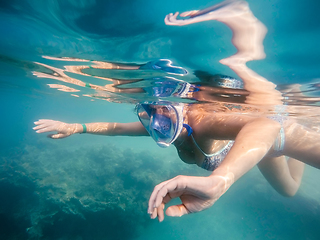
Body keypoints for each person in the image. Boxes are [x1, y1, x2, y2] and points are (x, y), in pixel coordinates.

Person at [33, 0, 314, 223]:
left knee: (279, 139)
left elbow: (266, 125)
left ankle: (243, 25)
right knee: (288, 189)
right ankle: (290, 110)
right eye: (148, 112)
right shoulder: (163, 123)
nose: (155, 121)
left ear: (179, 103)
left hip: (262, 141)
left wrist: (220, 180)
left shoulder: (202, 121)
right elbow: (116, 128)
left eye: (162, 109)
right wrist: (75, 128)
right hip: (258, 146)